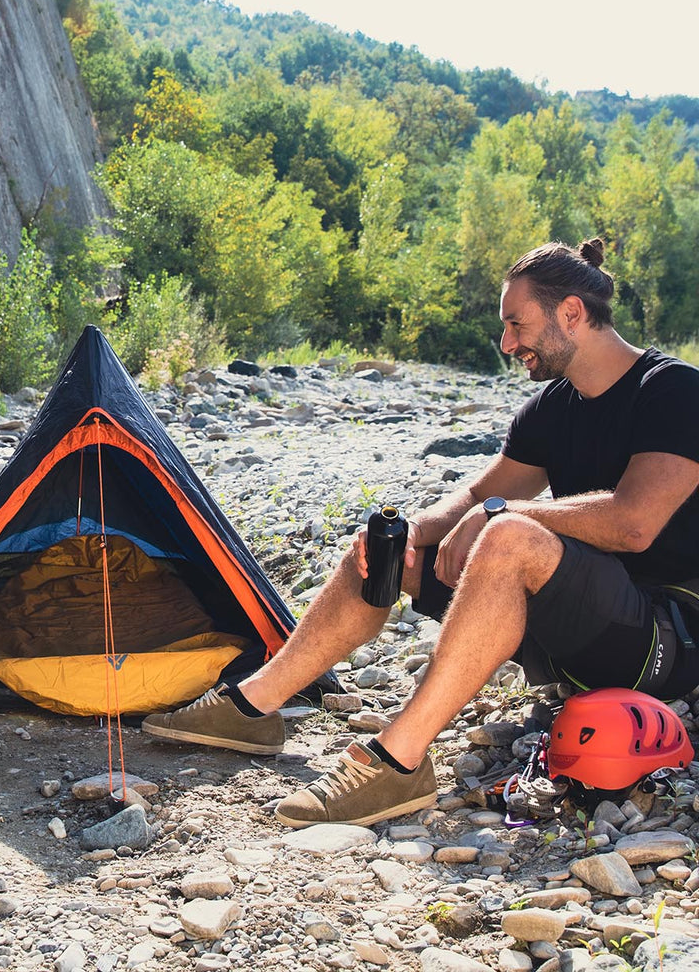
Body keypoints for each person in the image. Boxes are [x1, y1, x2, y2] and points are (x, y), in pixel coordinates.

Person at [143, 239, 699, 828]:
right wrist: (407, 532)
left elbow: (634, 523)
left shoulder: (673, 391)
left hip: (663, 641)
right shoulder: (553, 408)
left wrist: (499, 516)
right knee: (389, 544)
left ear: (571, 313)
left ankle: (398, 761)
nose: (507, 344)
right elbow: (476, 496)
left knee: (509, 534)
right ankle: (253, 705)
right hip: (575, 635)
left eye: (517, 324)